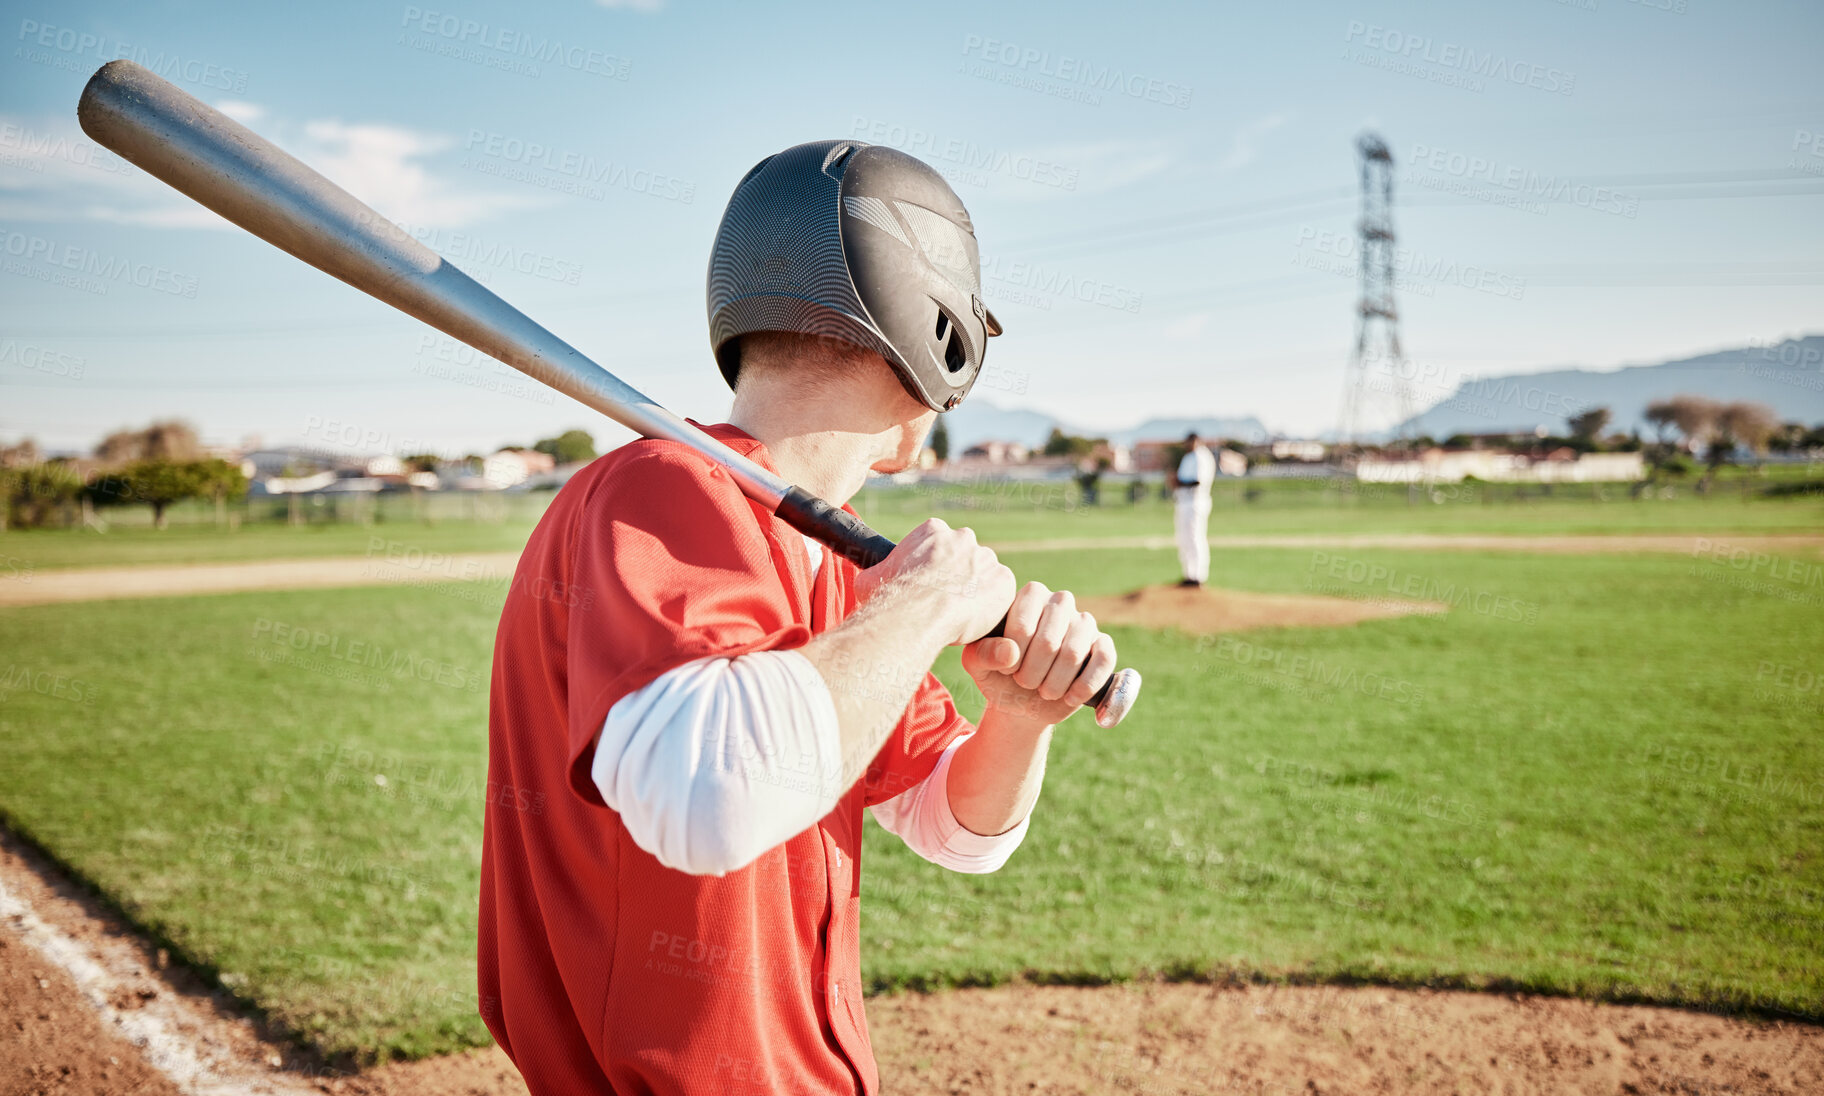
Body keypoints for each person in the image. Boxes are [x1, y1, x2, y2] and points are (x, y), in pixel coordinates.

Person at [477, 140, 1119, 1095]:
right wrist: (926, 601)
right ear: (938, 338)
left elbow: (952, 825)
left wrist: (1021, 718)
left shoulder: (829, 555)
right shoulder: (661, 489)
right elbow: (711, 798)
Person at [1172, 430, 1216, 587]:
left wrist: (1178, 483)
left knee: (1195, 537)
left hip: (1196, 501)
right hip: (1183, 501)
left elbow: (1197, 481)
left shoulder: (1201, 456)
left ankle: (1199, 576)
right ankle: (1189, 574)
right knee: (1184, 539)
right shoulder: (1188, 457)